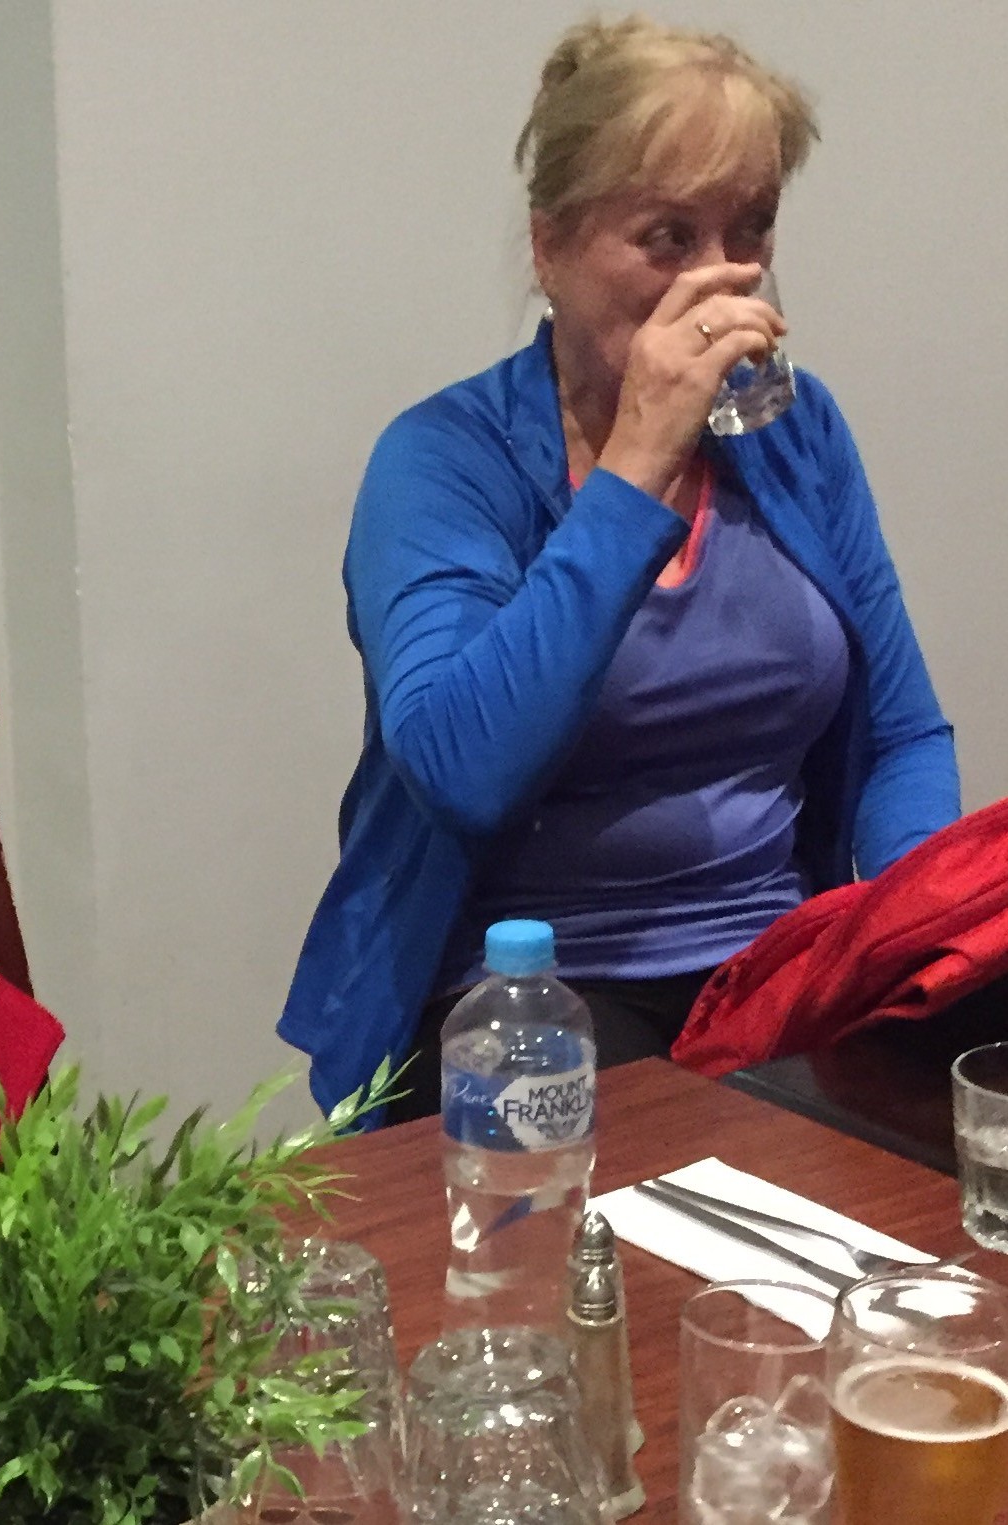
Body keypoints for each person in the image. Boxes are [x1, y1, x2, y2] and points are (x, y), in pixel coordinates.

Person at [280, 16, 959, 1125]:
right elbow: (461, 768)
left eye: (749, 228)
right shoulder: (443, 461)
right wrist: (636, 465)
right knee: (641, 1175)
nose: (721, 279)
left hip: (766, 968)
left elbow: (901, 734)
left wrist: (911, 950)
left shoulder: (794, 431)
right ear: (550, 247)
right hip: (527, 993)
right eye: (666, 237)